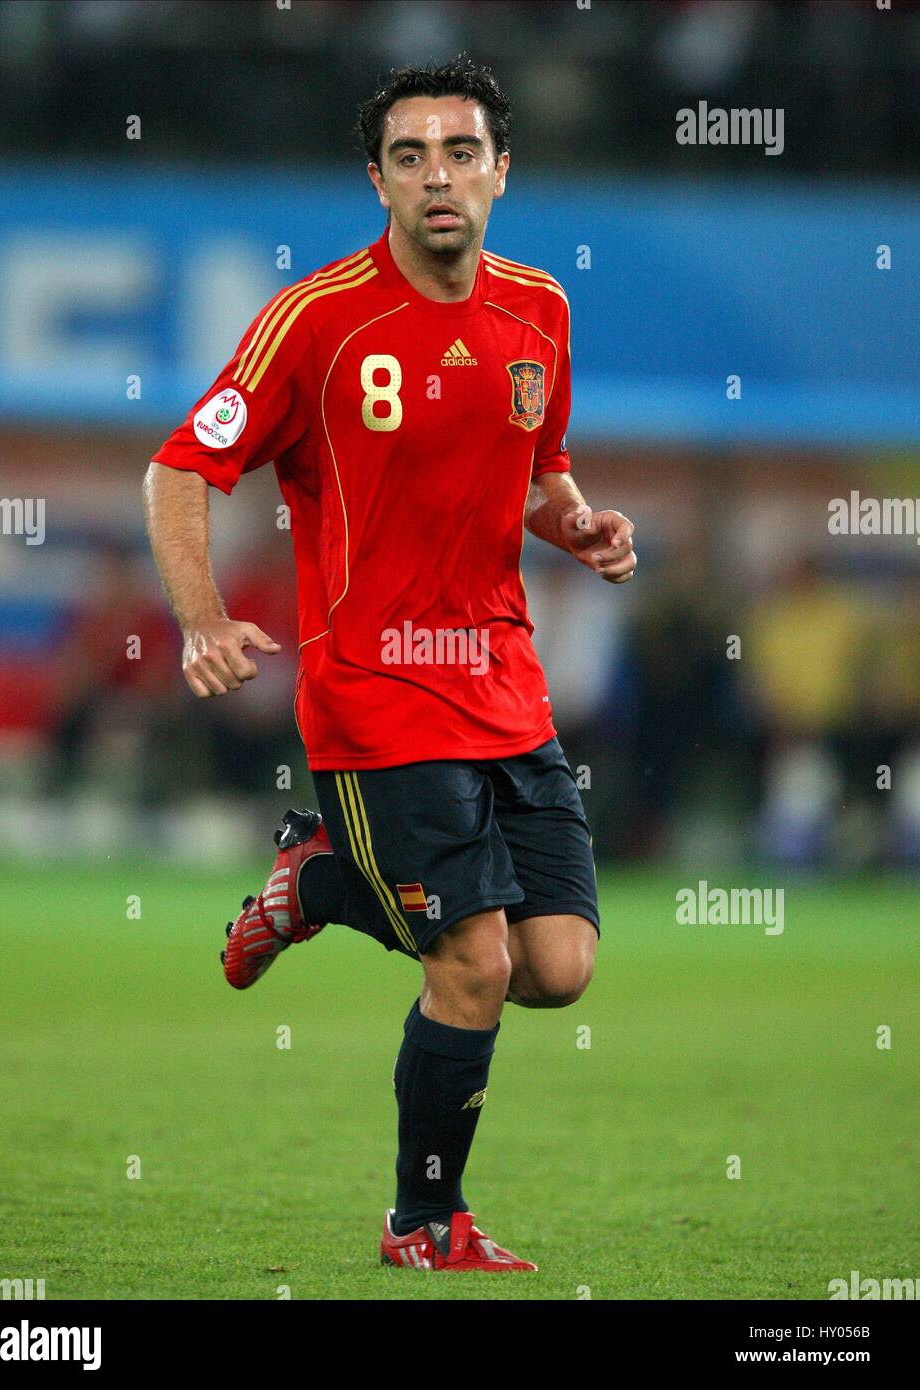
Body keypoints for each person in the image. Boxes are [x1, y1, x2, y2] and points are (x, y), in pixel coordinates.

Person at [143, 55, 636, 1273]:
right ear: (376, 179)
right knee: (469, 965)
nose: (437, 178)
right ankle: (423, 1220)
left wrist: (577, 523)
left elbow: (537, 473)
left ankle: (315, 883)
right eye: (408, 157)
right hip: (374, 696)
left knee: (554, 966)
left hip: (505, 687)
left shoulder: (541, 309)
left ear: (500, 171)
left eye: (460, 152)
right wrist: (204, 620)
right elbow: (176, 469)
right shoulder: (314, 320)